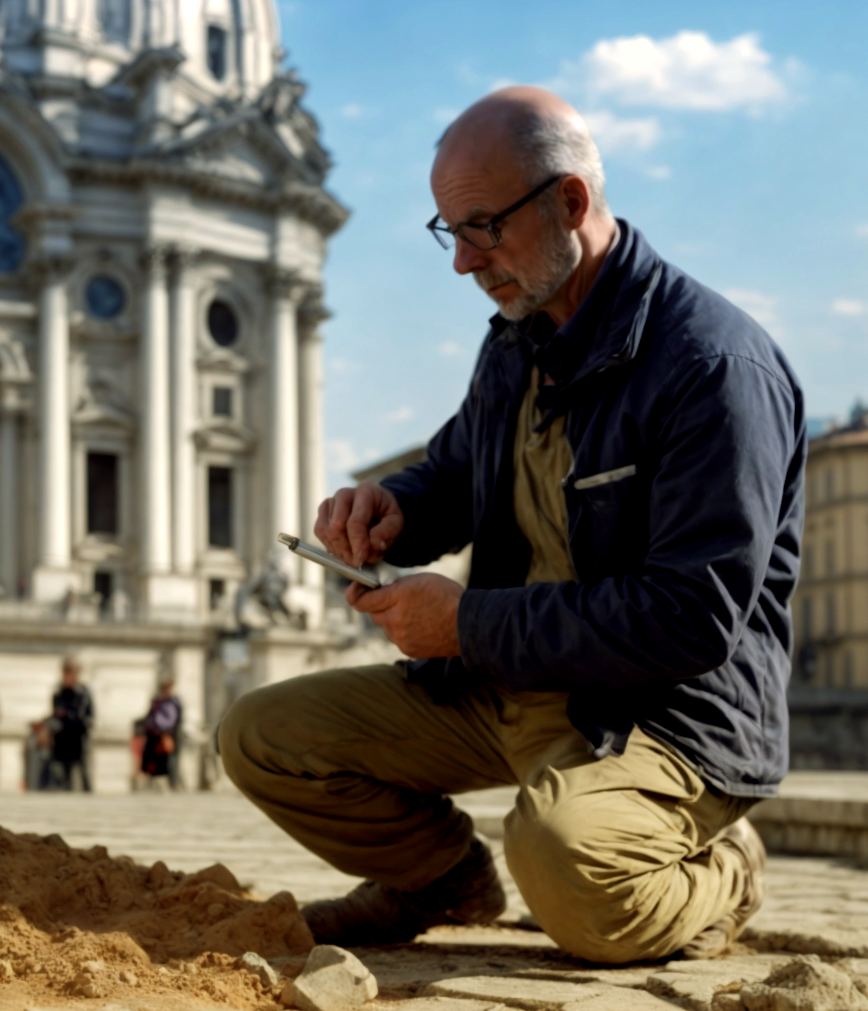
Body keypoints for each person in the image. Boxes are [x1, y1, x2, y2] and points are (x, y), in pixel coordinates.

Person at [219, 86, 802, 965]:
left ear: (570, 202)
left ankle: (725, 865)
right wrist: (393, 508)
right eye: (448, 231)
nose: (462, 261)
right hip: (505, 678)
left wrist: (462, 623)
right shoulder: (520, 333)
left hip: (655, 712)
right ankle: (443, 880)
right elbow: (457, 471)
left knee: (571, 872)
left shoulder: (713, 367)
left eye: (482, 227)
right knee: (260, 735)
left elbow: (692, 616)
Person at [48, 657, 94, 792]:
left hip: (79, 736)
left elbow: (87, 716)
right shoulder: (59, 693)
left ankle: (88, 795)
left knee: (84, 770)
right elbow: (55, 712)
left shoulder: (83, 693)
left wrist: (68, 715)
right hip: (63, 738)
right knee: (64, 773)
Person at [139, 679, 182, 789]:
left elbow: (173, 721)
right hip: (155, 736)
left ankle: (173, 785)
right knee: (152, 761)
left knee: (170, 763)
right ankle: (152, 784)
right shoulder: (157, 702)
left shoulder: (174, 703)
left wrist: (164, 729)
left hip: (168, 736)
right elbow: (150, 717)